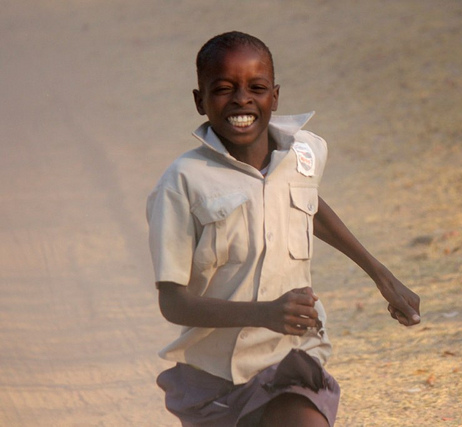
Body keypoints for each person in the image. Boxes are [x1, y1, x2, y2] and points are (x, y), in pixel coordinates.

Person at [146, 31, 420, 427]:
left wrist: (382, 276)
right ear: (199, 101)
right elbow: (173, 303)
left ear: (274, 97)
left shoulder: (305, 152)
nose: (241, 99)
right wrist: (265, 313)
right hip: (216, 377)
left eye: (256, 88)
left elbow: (307, 203)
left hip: (290, 359)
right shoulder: (183, 182)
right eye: (223, 89)